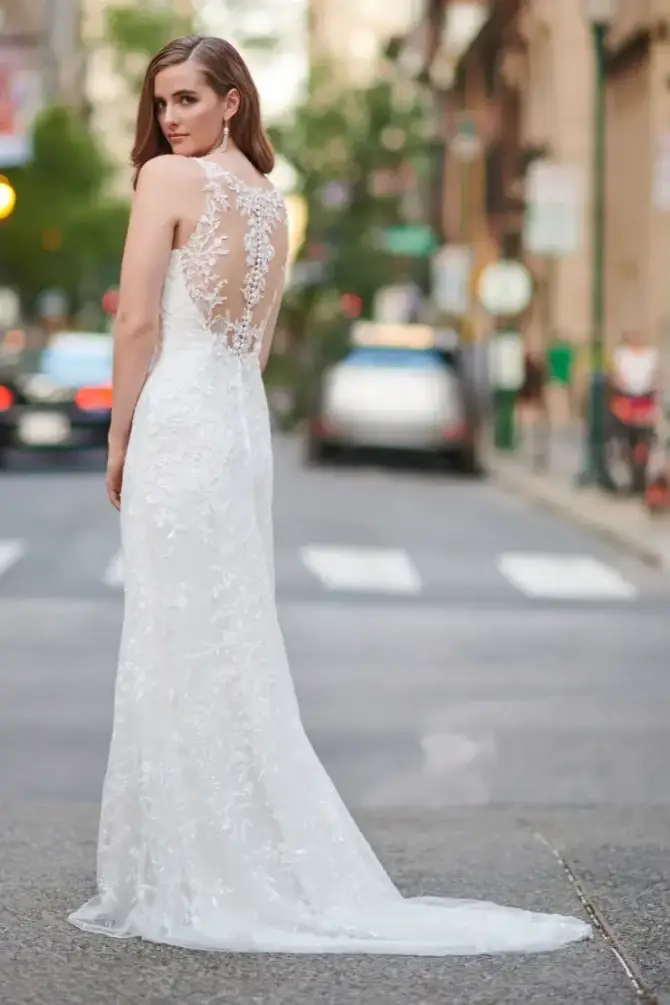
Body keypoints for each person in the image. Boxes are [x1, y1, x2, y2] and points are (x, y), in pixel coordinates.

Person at [68, 34, 592, 955]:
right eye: (161, 105)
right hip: (235, 424)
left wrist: (121, 433)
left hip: (184, 418)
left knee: (175, 631)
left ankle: (192, 863)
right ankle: (229, 847)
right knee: (228, 634)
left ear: (233, 100)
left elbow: (141, 319)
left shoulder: (167, 184)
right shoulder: (271, 204)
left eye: (187, 100)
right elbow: (258, 345)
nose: (169, 120)